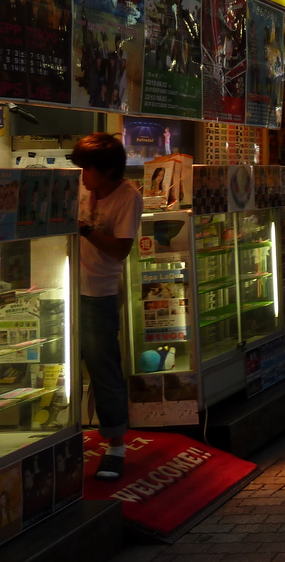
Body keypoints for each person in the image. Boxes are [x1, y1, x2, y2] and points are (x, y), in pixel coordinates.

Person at [72, 134, 143, 480]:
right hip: (66, 287)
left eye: (88, 168)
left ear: (109, 170)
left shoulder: (128, 196)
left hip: (99, 294)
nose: (83, 175)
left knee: (103, 369)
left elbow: (120, 250)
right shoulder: (80, 188)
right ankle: (67, 437)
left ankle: (116, 446)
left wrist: (84, 231)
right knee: (68, 368)